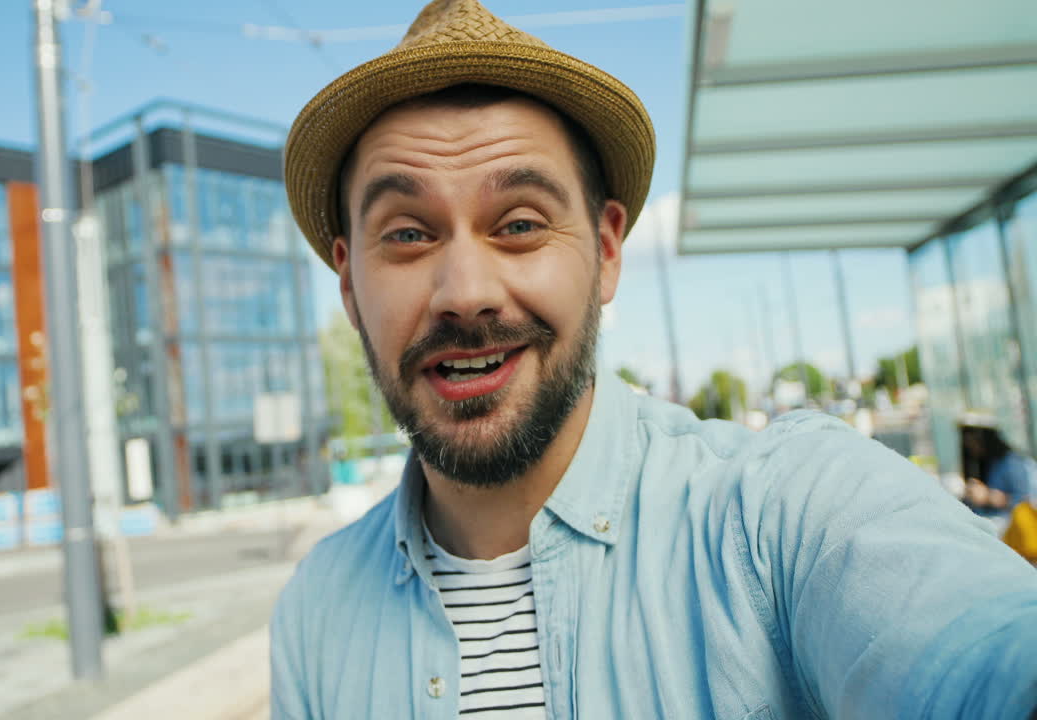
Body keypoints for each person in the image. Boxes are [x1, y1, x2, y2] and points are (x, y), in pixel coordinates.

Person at [272, 1, 1037, 717]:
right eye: (407, 234)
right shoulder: (316, 609)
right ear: (348, 284)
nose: (465, 293)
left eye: (521, 223)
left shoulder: (779, 514)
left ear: (606, 252)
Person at [960, 415, 1037, 515]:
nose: (971, 448)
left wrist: (988, 497)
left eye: (973, 442)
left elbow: (1026, 502)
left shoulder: (1012, 463)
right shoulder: (988, 463)